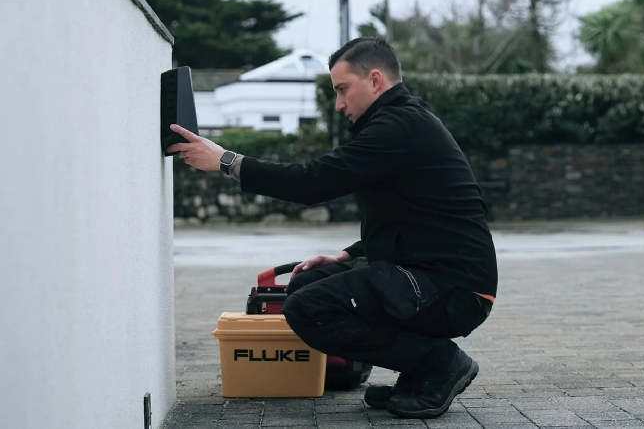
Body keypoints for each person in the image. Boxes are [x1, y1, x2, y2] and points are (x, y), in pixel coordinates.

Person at [167, 37, 498, 419]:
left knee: (308, 309)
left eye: (343, 89)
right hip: (428, 273)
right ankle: (418, 372)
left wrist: (226, 160)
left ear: (375, 80)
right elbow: (414, 219)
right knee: (305, 285)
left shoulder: (399, 126)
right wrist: (348, 255)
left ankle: (439, 364)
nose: (339, 104)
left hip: (455, 290)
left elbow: (314, 182)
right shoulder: (401, 123)